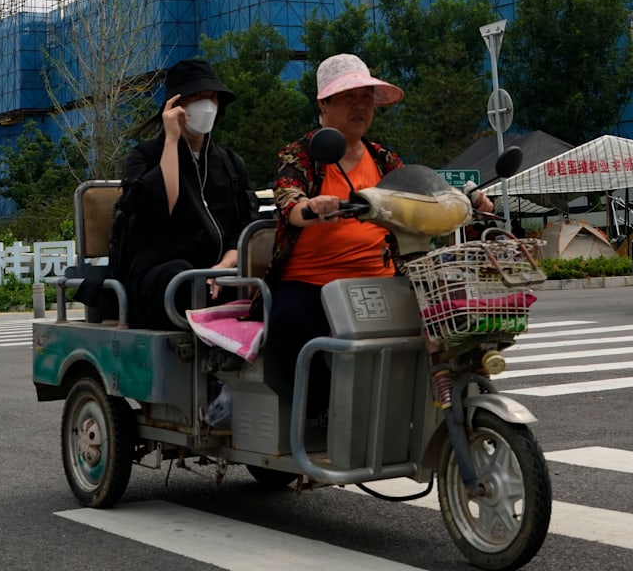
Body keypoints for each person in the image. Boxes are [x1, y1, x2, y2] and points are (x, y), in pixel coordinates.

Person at [263, 54, 490, 406]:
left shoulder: (383, 158)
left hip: (383, 275)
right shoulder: (302, 155)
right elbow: (289, 198)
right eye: (349, 98)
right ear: (324, 104)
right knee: (288, 324)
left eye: (366, 98)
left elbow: (419, 190)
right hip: (312, 281)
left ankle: (448, 378)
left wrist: (467, 198)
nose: (360, 107)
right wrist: (313, 205)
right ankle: (318, 415)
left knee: (448, 298)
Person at [111, 58, 257, 330]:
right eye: (198, 98)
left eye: (212, 98)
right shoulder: (144, 157)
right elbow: (161, 206)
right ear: (175, 106)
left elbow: (245, 224)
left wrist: (226, 264)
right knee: (181, 276)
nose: (207, 106)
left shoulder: (231, 164)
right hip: (160, 277)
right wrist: (171, 140)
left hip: (217, 273)